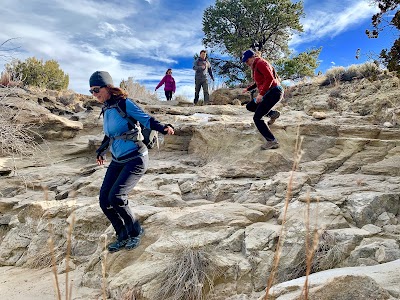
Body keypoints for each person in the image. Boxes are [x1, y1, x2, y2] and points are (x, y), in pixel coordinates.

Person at [89, 71, 175, 252]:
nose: (95, 95)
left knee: (117, 197)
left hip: (136, 158)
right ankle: (122, 234)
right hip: (118, 160)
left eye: (97, 90)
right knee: (105, 200)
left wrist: (163, 127)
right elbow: (110, 134)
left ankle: (135, 231)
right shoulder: (106, 108)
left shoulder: (124, 103)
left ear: (108, 87)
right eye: (91, 92)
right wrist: (101, 150)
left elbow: (146, 119)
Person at [242, 49, 283, 150]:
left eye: (247, 61)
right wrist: (248, 89)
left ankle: (272, 141)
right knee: (250, 106)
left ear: (252, 57)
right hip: (270, 93)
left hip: (273, 92)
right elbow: (258, 82)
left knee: (257, 118)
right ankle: (271, 114)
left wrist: (261, 94)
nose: (246, 63)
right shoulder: (256, 66)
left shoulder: (260, 63)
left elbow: (269, 78)